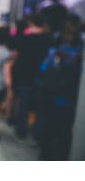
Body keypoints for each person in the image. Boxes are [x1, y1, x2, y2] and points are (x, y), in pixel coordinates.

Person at [38, 15, 83, 160]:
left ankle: (46, 157)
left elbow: (43, 67)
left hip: (51, 96)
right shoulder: (80, 52)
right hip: (70, 98)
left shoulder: (55, 49)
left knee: (48, 129)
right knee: (64, 132)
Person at [11, 14, 51, 140]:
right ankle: (37, 133)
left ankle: (21, 130)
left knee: (24, 103)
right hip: (41, 76)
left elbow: (16, 56)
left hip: (25, 75)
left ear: (32, 24)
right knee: (41, 106)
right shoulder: (48, 39)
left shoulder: (25, 38)